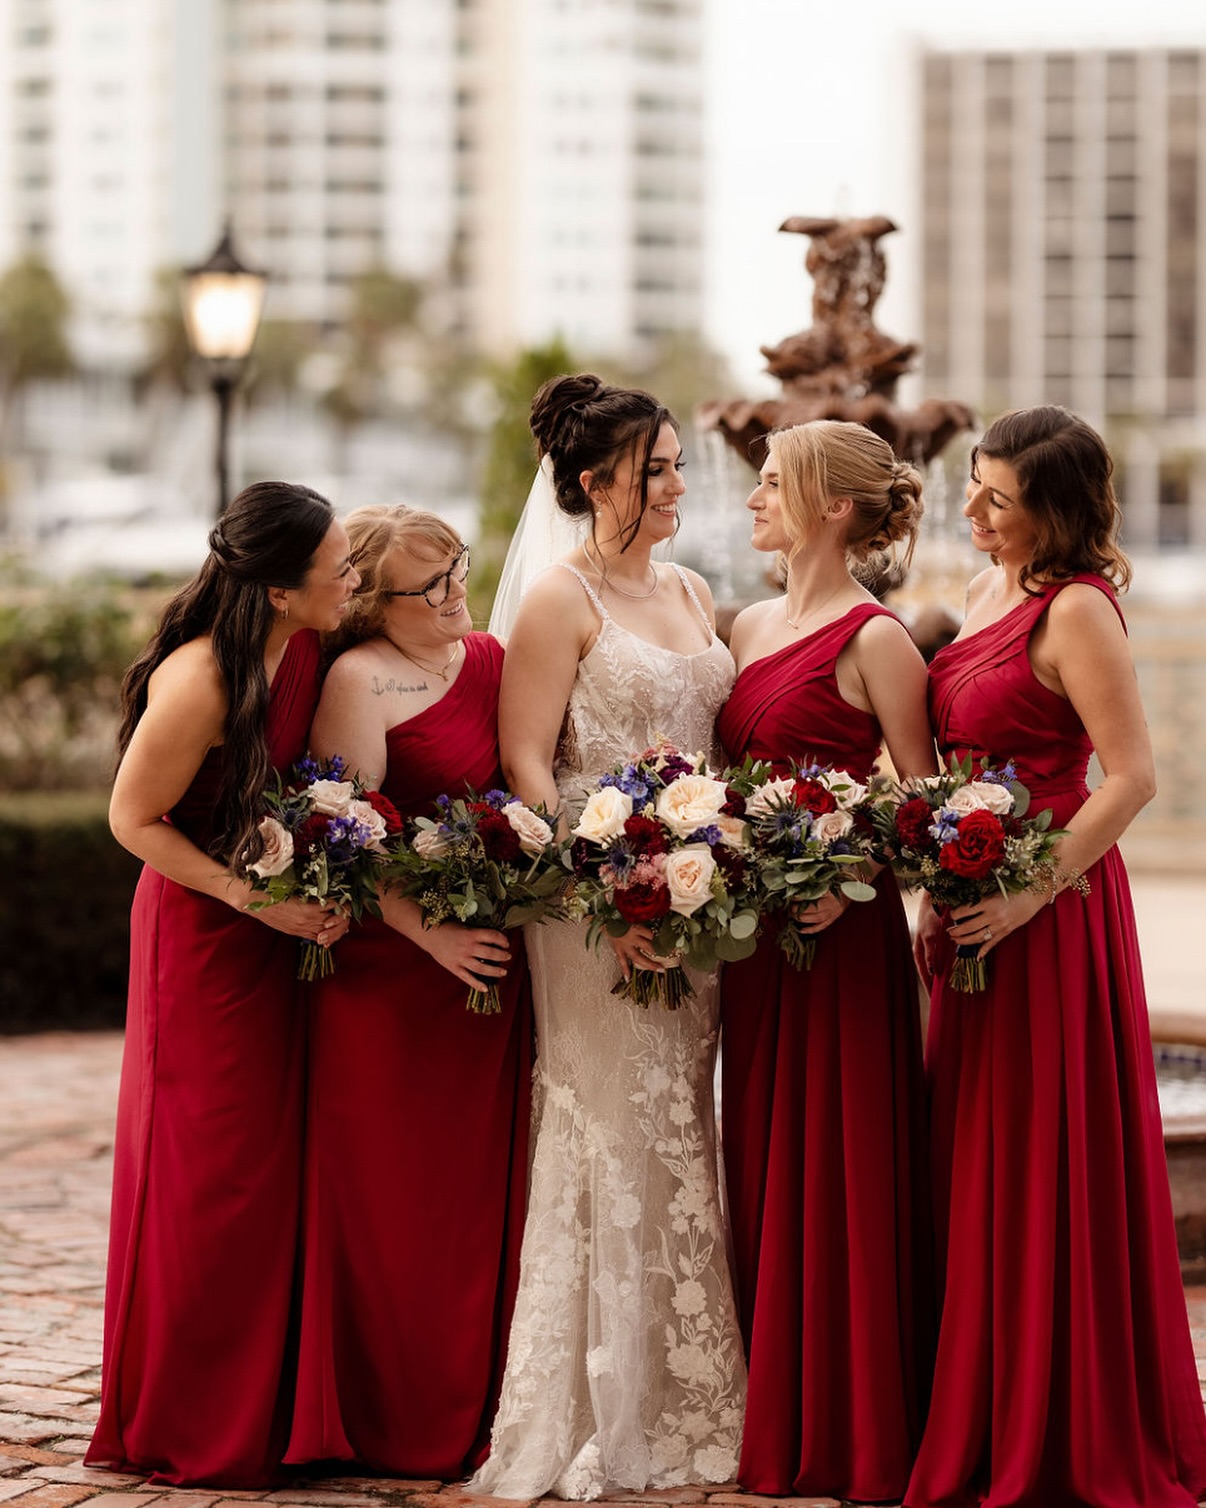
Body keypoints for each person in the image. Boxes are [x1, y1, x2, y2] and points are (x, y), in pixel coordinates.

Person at [906, 406, 1206, 1508]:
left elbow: (1129, 777)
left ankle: (1057, 1412)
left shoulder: (1079, 608)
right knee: (976, 1148)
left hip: (1053, 910)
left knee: (1039, 1151)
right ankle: (982, 1399)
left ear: (1056, 508)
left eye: (998, 496)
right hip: (973, 907)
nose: (974, 510)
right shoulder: (991, 591)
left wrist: (1030, 892)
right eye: (974, 489)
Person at [467, 374, 746, 1500]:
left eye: (680, 463)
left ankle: (688, 1388)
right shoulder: (557, 599)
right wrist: (608, 893)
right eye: (660, 468)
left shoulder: (690, 586)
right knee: (611, 1124)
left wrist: (706, 864)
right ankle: (597, 1410)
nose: (680, 484)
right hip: (591, 902)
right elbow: (530, 765)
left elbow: (709, 747)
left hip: (693, 892)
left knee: (682, 1121)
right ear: (596, 483)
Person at [86, 481, 358, 1487]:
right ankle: (193, 1418)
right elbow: (133, 820)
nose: (355, 580)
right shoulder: (203, 677)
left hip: (275, 926)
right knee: (211, 1177)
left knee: (275, 1170)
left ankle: (277, 1405)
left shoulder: (313, 646)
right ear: (284, 588)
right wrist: (257, 900)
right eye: (341, 567)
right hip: (202, 938)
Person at [284, 505, 532, 1479]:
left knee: (477, 1199)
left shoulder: (491, 655)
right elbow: (340, 830)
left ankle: (485, 1389)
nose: (453, 593)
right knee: (397, 1201)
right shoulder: (357, 678)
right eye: (427, 586)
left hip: (487, 969)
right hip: (394, 979)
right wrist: (432, 932)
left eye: (458, 569)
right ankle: (393, 1413)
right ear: (372, 601)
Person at [717, 420, 936, 1502]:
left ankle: (850, 1415)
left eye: (773, 482)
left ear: (836, 507)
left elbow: (922, 801)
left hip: (839, 943)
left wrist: (846, 866)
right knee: (761, 1152)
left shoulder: (877, 638)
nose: (754, 496)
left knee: (841, 1161)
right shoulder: (748, 621)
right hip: (753, 945)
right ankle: (774, 1391)